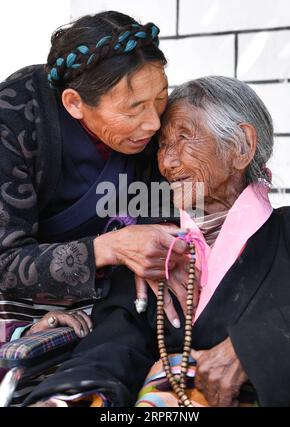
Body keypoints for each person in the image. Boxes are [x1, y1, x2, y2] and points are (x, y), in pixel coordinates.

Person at [25, 76, 290, 408]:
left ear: (241, 146)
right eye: (163, 145)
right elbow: (113, 347)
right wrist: (68, 397)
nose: (167, 163)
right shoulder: (155, 248)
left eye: (184, 138)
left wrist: (257, 346)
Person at [0, 9, 191, 351]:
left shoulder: (151, 129)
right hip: (17, 305)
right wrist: (110, 247)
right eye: (133, 109)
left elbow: (168, 209)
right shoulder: (13, 118)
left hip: (110, 301)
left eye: (160, 100)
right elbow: (5, 263)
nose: (152, 123)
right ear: (74, 103)